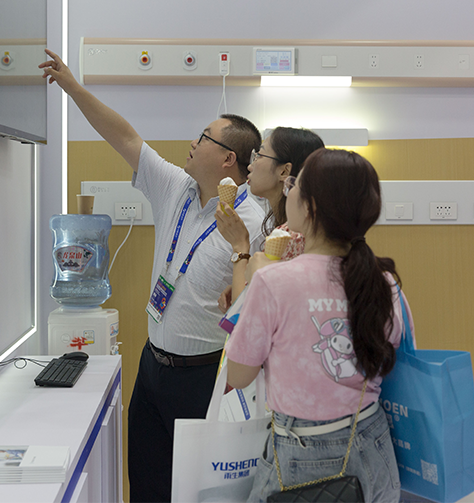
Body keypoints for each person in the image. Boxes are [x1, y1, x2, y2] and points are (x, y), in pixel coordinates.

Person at [40, 49, 266, 503]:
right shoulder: (175, 187)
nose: (193, 142)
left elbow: (253, 308)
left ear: (228, 159)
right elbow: (124, 136)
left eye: (203, 137)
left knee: (197, 493)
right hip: (151, 367)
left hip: (204, 378)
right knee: (145, 486)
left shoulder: (252, 223)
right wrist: (72, 86)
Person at [224, 148, 415, 503]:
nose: (288, 191)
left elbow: (238, 375)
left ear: (310, 207)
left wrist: (249, 286)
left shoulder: (273, 281)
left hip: (302, 455)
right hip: (374, 445)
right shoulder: (385, 282)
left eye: (294, 185)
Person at [214, 127, 324, 311]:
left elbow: (244, 315)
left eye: (259, 155)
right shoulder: (300, 227)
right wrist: (245, 285)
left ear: (284, 172)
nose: (250, 165)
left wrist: (240, 246)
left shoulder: (291, 236)